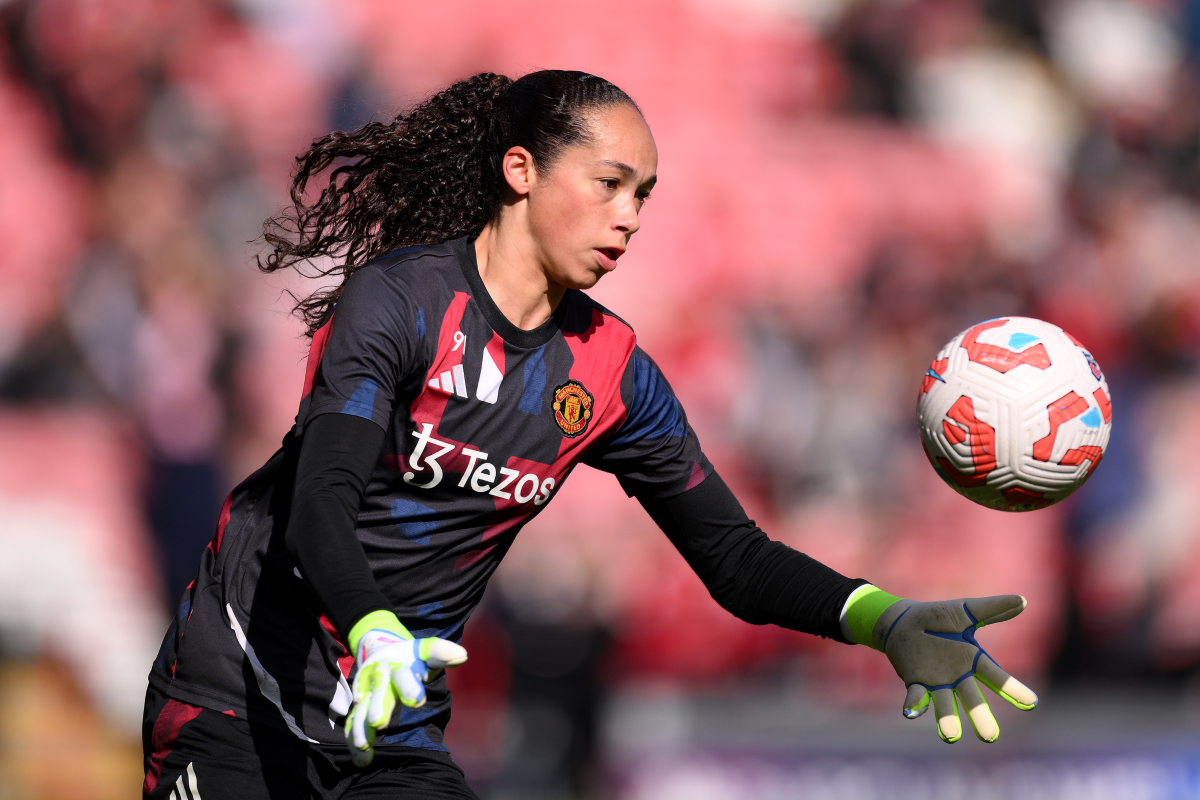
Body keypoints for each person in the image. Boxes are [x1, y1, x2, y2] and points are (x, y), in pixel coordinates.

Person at [142, 70, 1039, 800]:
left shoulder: (611, 373)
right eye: (609, 185)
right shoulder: (400, 301)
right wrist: (373, 623)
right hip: (236, 696)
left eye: (644, 195)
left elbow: (737, 559)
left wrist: (883, 619)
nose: (631, 217)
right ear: (522, 171)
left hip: (394, 719)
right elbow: (319, 504)